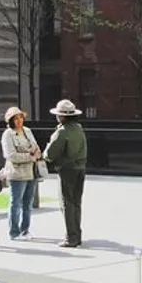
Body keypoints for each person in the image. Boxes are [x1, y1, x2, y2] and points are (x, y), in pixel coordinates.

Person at [43, 99, 87, 248]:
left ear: (61, 116)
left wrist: (44, 155)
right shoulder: (79, 128)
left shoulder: (62, 131)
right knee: (76, 202)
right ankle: (77, 234)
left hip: (67, 169)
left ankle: (71, 237)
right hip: (80, 168)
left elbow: (50, 153)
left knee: (66, 203)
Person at [0, 106, 41, 241]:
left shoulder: (28, 131)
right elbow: (11, 155)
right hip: (17, 174)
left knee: (27, 203)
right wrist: (29, 156)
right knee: (16, 203)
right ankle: (14, 232)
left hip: (31, 172)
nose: (19, 121)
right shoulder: (8, 134)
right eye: (15, 118)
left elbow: (36, 148)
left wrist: (34, 153)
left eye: (21, 117)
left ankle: (25, 230)